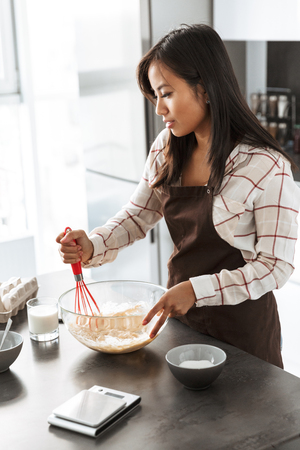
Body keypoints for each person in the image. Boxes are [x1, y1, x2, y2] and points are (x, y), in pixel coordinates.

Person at [56, 24, 300, 368]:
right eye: (155, 95)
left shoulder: (265, 165)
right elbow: (138, 215)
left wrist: (196, 290)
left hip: (245, 335)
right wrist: (93, 244)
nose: (159, 109)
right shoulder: (166, 149)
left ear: (207, 89)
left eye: (167, 93)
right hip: (182, 323)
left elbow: (275, 267)